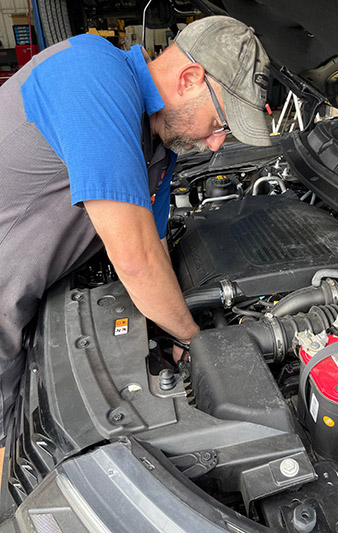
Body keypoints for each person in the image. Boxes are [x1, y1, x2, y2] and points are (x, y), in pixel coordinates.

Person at [0, 15, 271, 444]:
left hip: (26, 299)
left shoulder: (160, 148)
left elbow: (156, 242)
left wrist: (172, 335)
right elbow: (136, 258)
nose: (218, 143)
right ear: (190, 78)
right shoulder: (93, 76)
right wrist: (199, 344)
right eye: (221, 123)